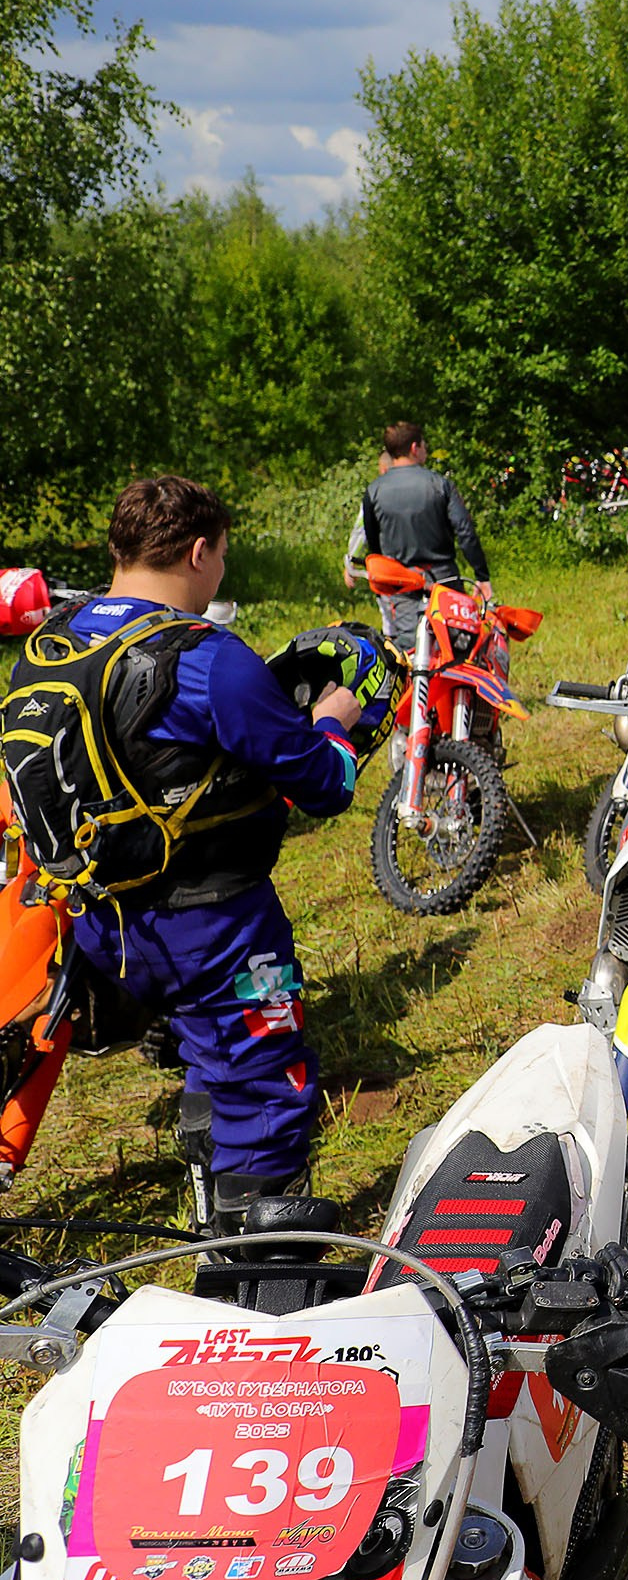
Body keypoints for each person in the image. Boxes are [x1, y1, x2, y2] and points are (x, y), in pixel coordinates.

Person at [25, 479, 365, 1231]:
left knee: (206, 1045)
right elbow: (323, 784)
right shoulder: (209, 658)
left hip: (99, 924)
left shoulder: (50, 643)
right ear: (200, 550)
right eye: (221, 559)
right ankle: (245, 1270)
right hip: (214, 926)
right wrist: (335, 721)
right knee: (269, 1084)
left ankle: (206, 1154)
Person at [350, 423, 491, 649]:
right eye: (424, 445)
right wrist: (481, 576)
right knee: (457, 645)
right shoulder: (440, 484)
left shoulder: (374, 490)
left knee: (411, 651)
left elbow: (373, 542)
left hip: (401, 582)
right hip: (444, 578)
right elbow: (465, 531)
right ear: (415, 448)